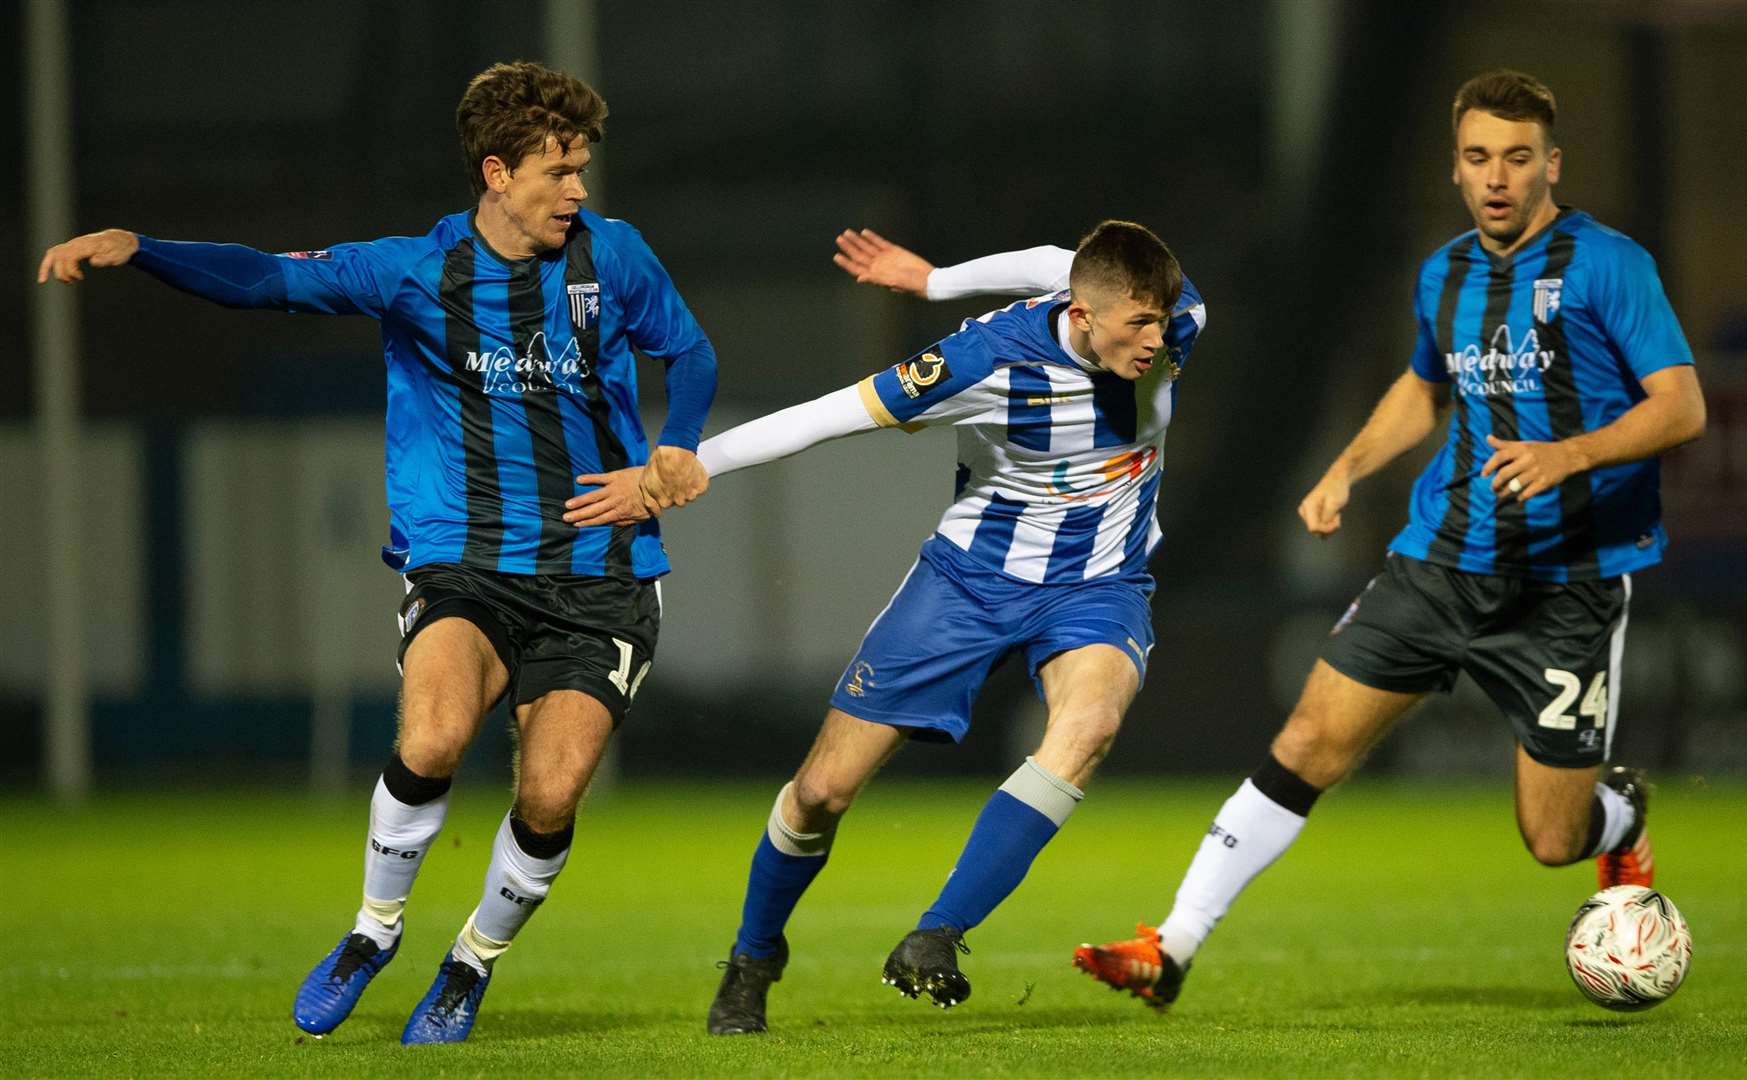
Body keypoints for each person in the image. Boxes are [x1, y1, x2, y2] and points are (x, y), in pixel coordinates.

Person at [37, 61, 717, 1044]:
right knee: (433, 736)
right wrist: (141, 248)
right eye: (557, 171)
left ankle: (471, 962)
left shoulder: (616, 258)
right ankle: (372, 930)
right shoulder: (413, 271)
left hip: (601, 574)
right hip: (463, 560)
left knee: (552, 789)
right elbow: (268, 278)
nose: (578, 190)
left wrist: (676, 446)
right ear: (495, 172)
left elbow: (688, 352)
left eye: (582, 170)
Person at [1072, 68, 1706, 1008]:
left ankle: (1616, 820)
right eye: (1478, 156)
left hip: (1565, 586)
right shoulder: (1442, 272)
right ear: (1455, 167)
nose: (1497, 176)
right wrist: (1346, 468)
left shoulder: (1610, 265)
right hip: (1437, 562)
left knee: (1548, 838)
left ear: (1550, 165)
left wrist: (1568, 454)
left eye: (1518, 158)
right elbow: (1424, 385)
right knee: (1308, 741)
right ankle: (1169, 947)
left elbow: (1681, 407)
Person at [674, 221, 1207, 1034]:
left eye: (1161, 320)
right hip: (969, 581)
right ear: (1081, 311)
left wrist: (934, 278)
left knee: (1088, 724)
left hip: (1098, 585)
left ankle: (937, 934)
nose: (1156, 340)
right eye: (1136, 325)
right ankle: (753, 955)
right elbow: (824, 415)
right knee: (821, 793)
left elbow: (1051, 259)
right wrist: (693, 464)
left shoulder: (1174, 317)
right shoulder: (984, 361)